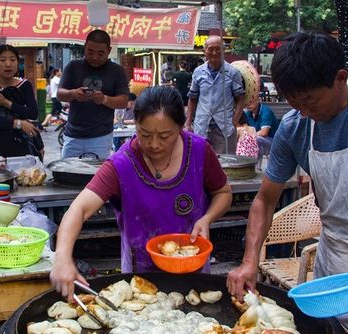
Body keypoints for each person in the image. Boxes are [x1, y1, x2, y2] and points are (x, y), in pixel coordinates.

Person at [227, 32, 348, 333]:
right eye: (293, 103)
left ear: (340, 78)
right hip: (334, 265)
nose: (303, 111)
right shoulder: (295, 127)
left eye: (309, 101)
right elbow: (265, 200)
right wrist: (249, 260)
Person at [50, 86, 232, 300]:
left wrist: (207, 219)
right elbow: (79, 209)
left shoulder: (200, 151)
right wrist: (62, 257)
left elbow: (223, 192)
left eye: (165, 136)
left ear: (181, 127)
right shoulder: (121, 164)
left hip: (193, 274)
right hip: (140, 282)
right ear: (135, 124)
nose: (154, 144)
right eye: (145, 134)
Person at [57, 29, 129, 160]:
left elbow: (124, 101)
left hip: (101, 138)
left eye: (100, 53)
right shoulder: (73, 66)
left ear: (109, 50)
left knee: (97, 177)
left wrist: (104, 99)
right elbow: (60, 94)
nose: (95, 57)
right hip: (73, 135)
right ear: (85, 47)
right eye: (90, 52)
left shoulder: (117, 71)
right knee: (68, 175)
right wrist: (73, 93)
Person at [0, 44, 40, 161]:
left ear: (17, 61)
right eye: (2, 60)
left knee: (24, 178)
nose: (8, 64)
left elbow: (33, 113)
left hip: (21, 142)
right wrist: (19, 124)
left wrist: (7, 103)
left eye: (12, 59)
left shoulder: (25, 85)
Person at [186, 36, 245, 154]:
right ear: (205, 52)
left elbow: (240, 99)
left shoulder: (232, 73)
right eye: (211, 49)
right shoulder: (198, 72)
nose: (214, 52)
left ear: (223, 50)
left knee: (225, 165)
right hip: (202, 126)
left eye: (218, 49)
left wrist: (234, 121)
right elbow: (192, 99)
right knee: (200, 161)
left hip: (224, 128)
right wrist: (188, 123)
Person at [244, 97, 279, 166]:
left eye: (251, 102)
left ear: (258, 101)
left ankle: (256, 166)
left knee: (256, 139)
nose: (248, 104)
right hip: (261, 140)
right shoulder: (248, 113)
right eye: (246, 102)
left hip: (274, 141)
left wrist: (249, 136)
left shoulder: (266, 111)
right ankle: (247, 164)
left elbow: (264, 132)